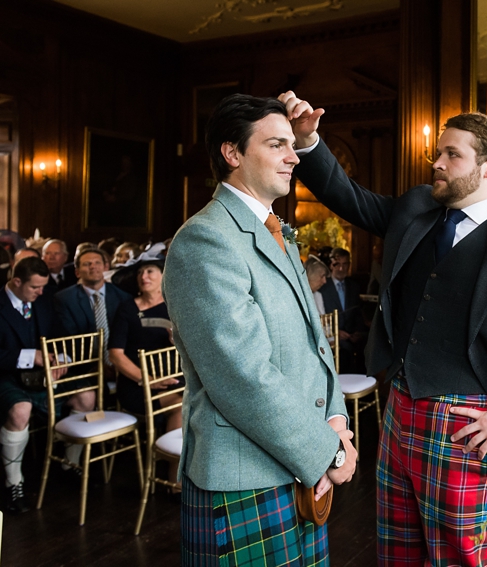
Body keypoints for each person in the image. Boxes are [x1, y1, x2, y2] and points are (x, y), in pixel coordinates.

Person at [281, 91, 487, 566]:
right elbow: (349, 197)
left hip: (467, 429)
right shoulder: (415, 210)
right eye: (438, 152)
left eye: (453, 154)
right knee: (396, 553)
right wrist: (308, 141)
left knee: (460, 559)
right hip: (400, 409)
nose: (438, 162)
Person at [163, 94, 356, 566]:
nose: (294, 156)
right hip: (243, 476)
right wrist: (327, 452)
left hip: (297, 462)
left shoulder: (277, 230)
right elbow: (242, 375)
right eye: (277, 144)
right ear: (232, 154)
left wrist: (335, 418)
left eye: (292, 144)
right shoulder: (205, 239)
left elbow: (315, 342)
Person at [0, 258, 95, 513]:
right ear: (16, 282)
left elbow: (59, 337)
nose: (40, 292)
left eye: (43, 287)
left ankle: (68, 465)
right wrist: (30, 356)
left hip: (42, 376)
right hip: (1, 378)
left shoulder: (44, 300)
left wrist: (61, 359)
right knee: (21, 409)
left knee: (86, 397)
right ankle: (14, 484)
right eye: (35, 287)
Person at [109, 252, 181, 481]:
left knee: (203, 401)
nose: (144, 276)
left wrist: (176, 341)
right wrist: (148, 379)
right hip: (138, 385)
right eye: (140, 272)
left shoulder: (174, 305)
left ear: (163, 276)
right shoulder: (127, 309)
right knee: (183, 406)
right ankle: (173, 478)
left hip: (176, 378)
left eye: (150, 271)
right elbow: (115, 355)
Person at [53, 248, 130, 372]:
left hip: (120, 364)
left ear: (106, 267)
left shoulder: (122, 297)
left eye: (97, 263)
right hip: (84, 365)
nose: (93, 267)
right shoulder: (64, 299)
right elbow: (70, 338)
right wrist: (96, 368)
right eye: (87, 264)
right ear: (77, 272)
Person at [319, 247, 367, 372]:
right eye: (338, 265)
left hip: (352, 336)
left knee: (368, 348)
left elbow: (357, 313)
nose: (341, 269)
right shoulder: (323, 287)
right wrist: (336, 332)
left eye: (345, 264)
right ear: (331, 265)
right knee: (345, 353)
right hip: (332, 337)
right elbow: (320, 316)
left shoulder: (354, 287)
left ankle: (364, 387)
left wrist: (358, 332)